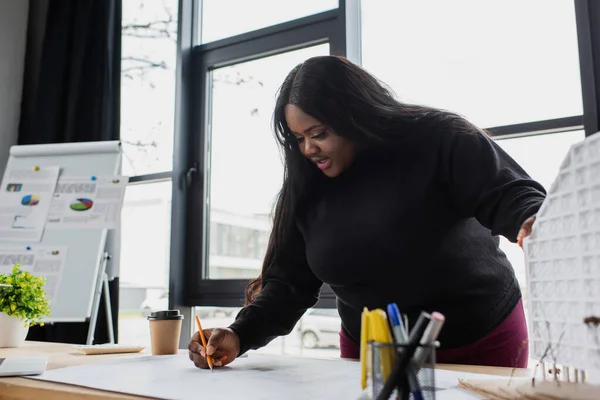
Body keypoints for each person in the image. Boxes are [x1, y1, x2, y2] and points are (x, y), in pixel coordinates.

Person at [188, 55, 545, 370]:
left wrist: (532, 222)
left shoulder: (439, 137)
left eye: (319, 133)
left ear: (353, 115)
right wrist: (240, 333)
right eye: (298, 138)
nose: (308, 149)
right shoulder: (304, 187)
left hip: (477, 337)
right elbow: (287, 284)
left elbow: (508, 192)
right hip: (371, 349)